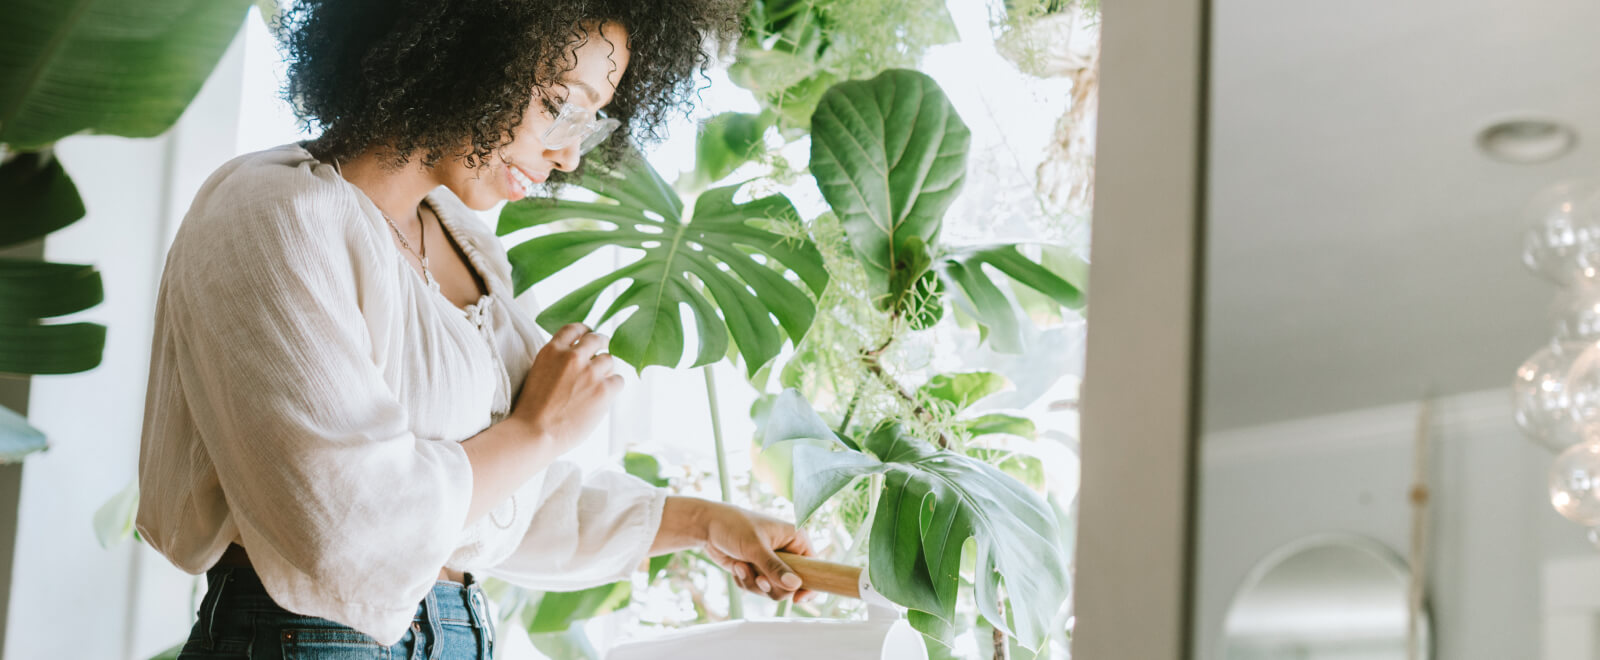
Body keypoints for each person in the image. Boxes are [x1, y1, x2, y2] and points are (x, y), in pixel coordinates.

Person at [135, 1, 812, 656]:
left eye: (592, 119)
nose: (570, 153)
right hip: (302, 641)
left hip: (459, 631)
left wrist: (702, 524)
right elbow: (346, 529)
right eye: (557, 103)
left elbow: (499, 504)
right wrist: (535, 430)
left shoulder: (467, 245)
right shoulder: (273, 212)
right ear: (463, 45)